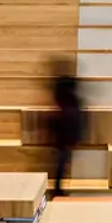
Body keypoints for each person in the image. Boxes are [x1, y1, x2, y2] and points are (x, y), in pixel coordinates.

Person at [46, 56, 83, 197]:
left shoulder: (63, 93)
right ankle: (57, 189)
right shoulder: (70, 97)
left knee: (62, 161)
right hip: (65, 131)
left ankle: (58, 188)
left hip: (64, 132)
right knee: (62, 161)